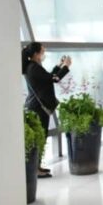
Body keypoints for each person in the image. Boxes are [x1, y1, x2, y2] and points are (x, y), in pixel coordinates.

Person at [22, 42, 72, 178]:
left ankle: (37, 167)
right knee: (39, 137)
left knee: (41, 136)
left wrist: (58, 65)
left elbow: (48, 78)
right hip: (38, 108)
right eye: (43, 52)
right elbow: (54, 79)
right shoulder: (33, 68)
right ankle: (35, 169)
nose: (44, 54)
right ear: (36, 54)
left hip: (38, 107)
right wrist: (66, 66)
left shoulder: (33, 67)